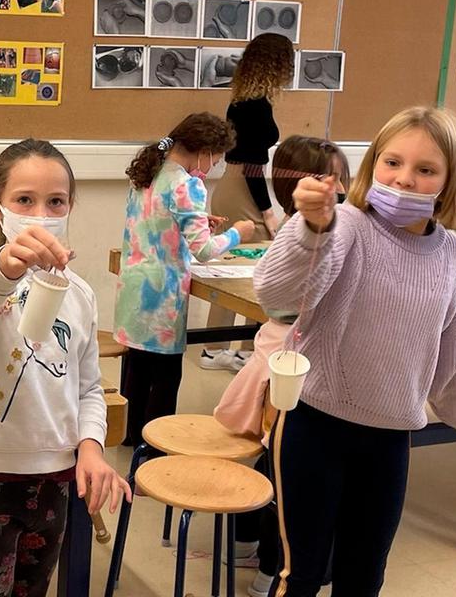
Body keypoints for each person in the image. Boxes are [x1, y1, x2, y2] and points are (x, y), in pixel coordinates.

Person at [251, 106, 456, 597]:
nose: (405, 180)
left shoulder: (450, 253)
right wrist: (312, 229)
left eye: (426, 170)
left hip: (390, 437)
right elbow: (277, 295)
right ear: (372, 164)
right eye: (392, 163)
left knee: (365, 571)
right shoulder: (343, 224)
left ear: (449, 182)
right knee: (301, 572)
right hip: (314, 424)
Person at [0, 139, 131, 597]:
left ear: (70, 205)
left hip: (55, 477)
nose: (40, 213)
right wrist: (8, 264)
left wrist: (91, 446)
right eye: (24, 200)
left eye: (55, 201)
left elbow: (89, 388)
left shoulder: (80, 294)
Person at [213, 136, 349, 576]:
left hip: (281, 356)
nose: (338, 189)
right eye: (329, 179)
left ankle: (248, 545)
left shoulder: (313, 228)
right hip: (290, 363)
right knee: (286, 468)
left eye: (342, 179)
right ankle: (271, 568)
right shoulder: (304, 233)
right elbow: (280, 299)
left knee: (276, 459)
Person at [114, 113, 254, 446]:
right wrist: (237, 234)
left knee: (137, 369)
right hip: (162, 295)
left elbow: (156, 217)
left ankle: (131, 435)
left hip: (135, 288)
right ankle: (158, 444)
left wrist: (199, 219)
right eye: (215, 160)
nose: (212, 167)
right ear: (203, 150)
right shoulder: (188, 185)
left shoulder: (148, 172)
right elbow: (204, 250)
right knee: (165, 375)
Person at [201, 33, 296, 371]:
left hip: (233, 182)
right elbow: (255, 165)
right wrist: (269, 212)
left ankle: (222, 349)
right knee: (251, 272)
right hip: (244, 184)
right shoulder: (255, 105)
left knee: (235, 269)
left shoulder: (242, 98)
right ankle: (231, 350)